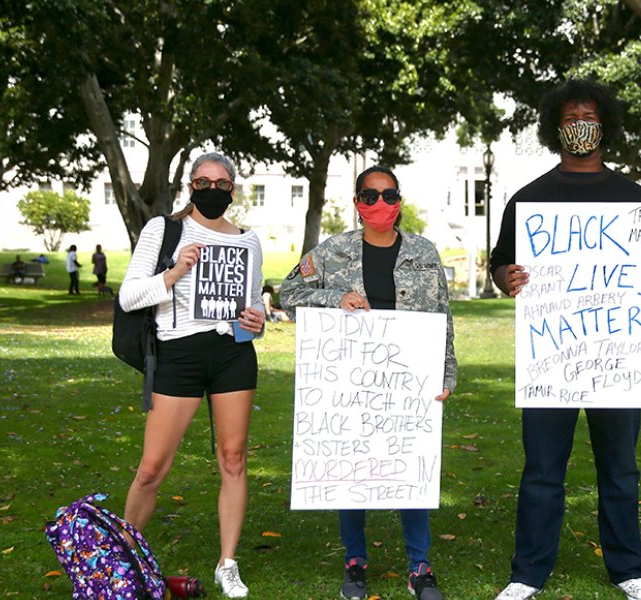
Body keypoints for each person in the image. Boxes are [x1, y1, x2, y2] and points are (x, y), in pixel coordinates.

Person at [488, 79, 641, 600]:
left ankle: (628, 570)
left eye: (590, 117)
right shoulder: (528, 199)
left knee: (620, 470)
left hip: (620, 357)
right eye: (572, 116)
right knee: (542, 471)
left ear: (606, 127)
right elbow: (500, 264)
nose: (581, 125)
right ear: (555, 127)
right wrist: (506, 278)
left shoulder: (634, 198)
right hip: (553, 356)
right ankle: (526, 573)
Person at [280, 165, 457, 600]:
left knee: (411, 468)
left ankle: (420, 565)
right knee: (351, 469)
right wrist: (333, 298)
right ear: (357, 202)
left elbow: (443, 316)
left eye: (389, 195)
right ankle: (355, 561)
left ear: (400, 201)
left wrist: (447, 372)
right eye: (370, 195)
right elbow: (287, 294)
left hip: (409, 380)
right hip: (351, 382)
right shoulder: (332, 252)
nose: (380, 204)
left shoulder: (425, 252)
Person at [116, 152, 265, 599]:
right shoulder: (164, 230)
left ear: (232, 189)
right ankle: (123, 560)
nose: (212, 190)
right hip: (177, 356)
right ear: (190, 187)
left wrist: (259, 320)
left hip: (232, 355)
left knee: (234, 459)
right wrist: (176, 270)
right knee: (151, 468)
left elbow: (253, 302)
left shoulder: (249, 240)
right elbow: (128, 296)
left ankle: (228, 562)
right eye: (203, 182)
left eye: (221, 183)